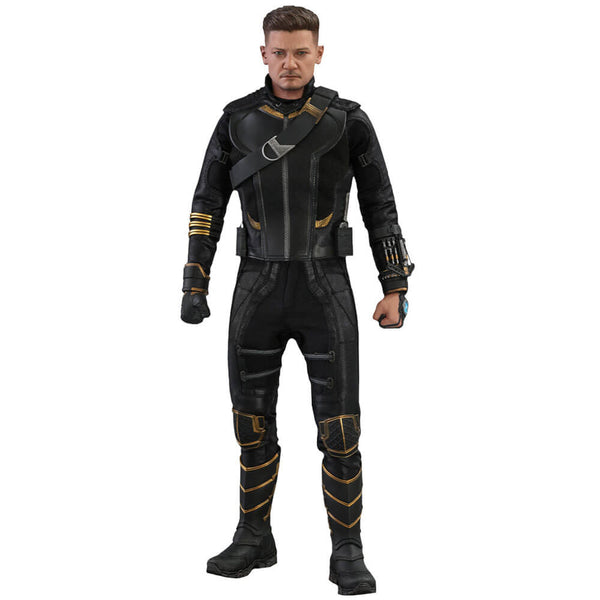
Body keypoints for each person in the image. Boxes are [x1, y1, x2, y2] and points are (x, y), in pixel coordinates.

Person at [180, 5, 414, 595]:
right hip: (255, 287)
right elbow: (207, 203)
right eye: (280, 52)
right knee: (250, 422)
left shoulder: (348, 121)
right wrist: (194, 281)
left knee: (340, 429)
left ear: (319, 54)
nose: (290, 62)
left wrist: (395, 286)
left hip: (326, 287)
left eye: (301, 52)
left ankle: (347, 551)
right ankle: (254, 538)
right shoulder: (235, 121)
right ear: (263, 53)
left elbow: (380, 204)